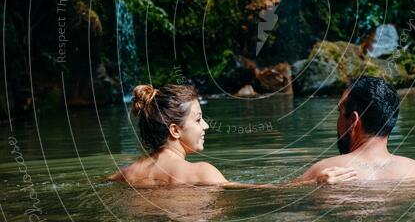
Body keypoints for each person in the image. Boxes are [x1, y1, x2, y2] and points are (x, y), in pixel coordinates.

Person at [109, 83, 359, 187]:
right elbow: (262, 191)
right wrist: (313, 183)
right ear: (174, 130)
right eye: (198, 119)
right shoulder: (201, 172)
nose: (205, 126)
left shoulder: (125, 174)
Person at [295, 76, 415, 183]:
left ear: (353, 121)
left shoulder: (323, 171)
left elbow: (274, 194)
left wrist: (313, 183)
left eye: (339, 112)